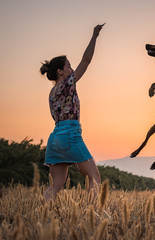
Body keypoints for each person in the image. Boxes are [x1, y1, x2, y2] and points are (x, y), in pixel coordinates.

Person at [40, 24, 105, 201]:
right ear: (60, 72)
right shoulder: (68, 82)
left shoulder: (51, 94)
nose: (71, 69)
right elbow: (86, 61)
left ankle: (41, 214)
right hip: (70, 134)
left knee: (55, 186)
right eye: (68, 66)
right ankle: (93, 213)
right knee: (94, 178)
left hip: (55, 138)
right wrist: (94, 36)